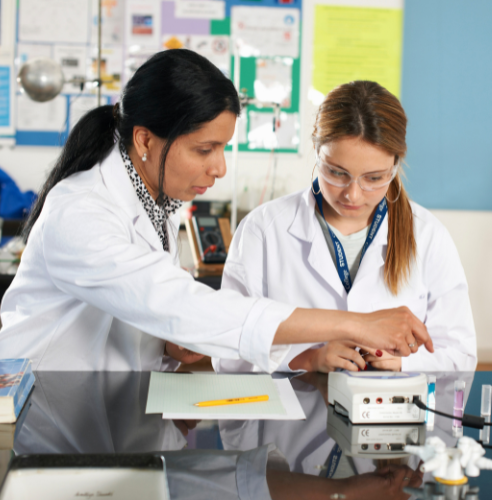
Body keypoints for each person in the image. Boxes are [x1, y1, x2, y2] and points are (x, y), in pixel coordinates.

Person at [0, 53, 432, 371]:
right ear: (146, 141)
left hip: (107, 419)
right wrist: (357, 325)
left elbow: (145, 312)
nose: (220, 167)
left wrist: (165, 346)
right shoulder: (80, 212)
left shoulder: (153, 204)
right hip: (41, 418)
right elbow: (180, 305)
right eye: (205, 149)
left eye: (223, 148)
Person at [214, 80, 475, 374]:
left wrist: (403, 362)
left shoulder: (427, 235)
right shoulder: (263, 229)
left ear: (395, 166)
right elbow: (226, 349)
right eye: (337, 173)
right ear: (316, 152)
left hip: (394, 417)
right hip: (294, 416)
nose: (352, 194)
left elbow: (461, 355)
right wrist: (308, 360)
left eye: (374, 178)